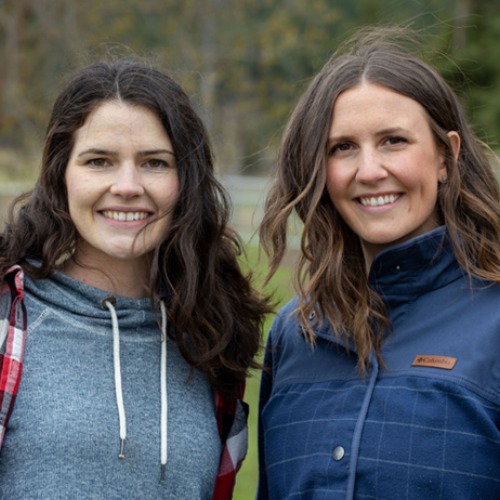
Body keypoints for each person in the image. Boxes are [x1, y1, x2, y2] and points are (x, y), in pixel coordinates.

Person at [0, 59, 270, 499]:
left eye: (154, 163)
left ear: (187, 181)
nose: (127, 185)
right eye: (99, 161)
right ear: (60, 175)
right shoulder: (9, 319)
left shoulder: (212, 339)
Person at [257, 27, 500, 499]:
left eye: (393, 141)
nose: (369, 171)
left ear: (446, 156)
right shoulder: (293, 335)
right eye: (342, 147)